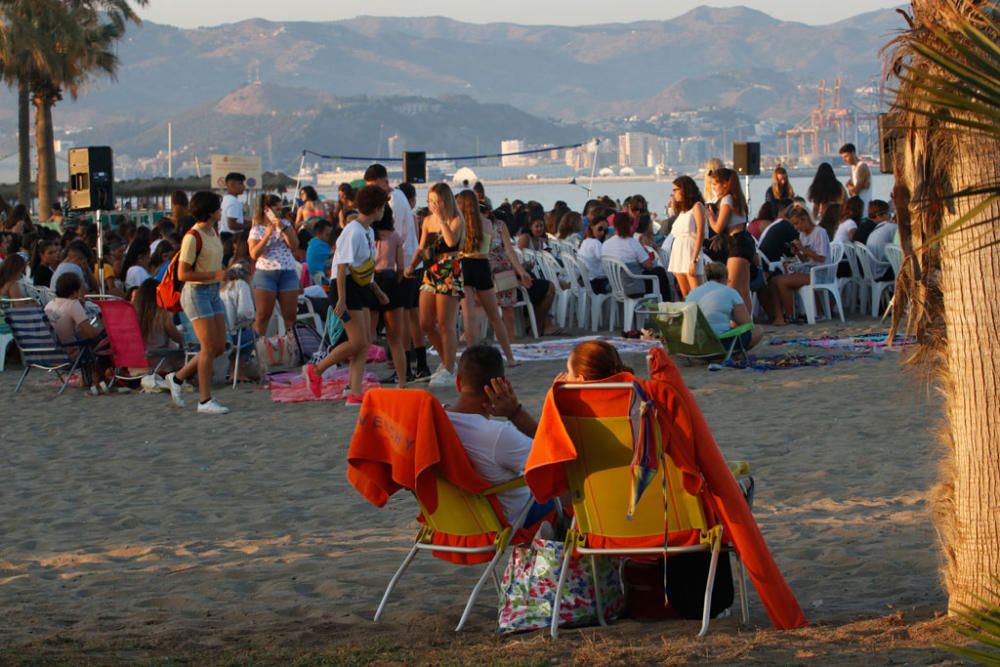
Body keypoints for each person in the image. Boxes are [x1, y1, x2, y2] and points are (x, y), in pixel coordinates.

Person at [445, 344, 552, 526]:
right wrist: (515, 413)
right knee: (571, 491)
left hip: (453, 517)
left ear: (457, 382)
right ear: (501, 385)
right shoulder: (498, 435)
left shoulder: (434, 420)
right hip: (509, 518)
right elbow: (553, 458)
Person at [304, 185, 390, 404]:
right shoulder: (352, 231)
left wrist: (376, 290)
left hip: (359, 286)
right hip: (344, 287)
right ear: (377, 208)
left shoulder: (367, 231)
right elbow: (341, 267)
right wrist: (341, 299)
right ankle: (317, 370)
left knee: (363, 342)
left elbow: (364, 267)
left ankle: (354, 390)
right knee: (358, 340)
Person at [164, 191, 232, 415]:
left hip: (212, 291)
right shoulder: (192, 237)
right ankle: (205, 400)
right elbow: (183, 274)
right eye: (219, 208)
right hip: (196, 293)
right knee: (208, 347)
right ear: (211, 211)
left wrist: (223, 274)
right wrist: (215, 274)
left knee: (219, 346)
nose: (221, 212)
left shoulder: (213, 231)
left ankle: (177, 378)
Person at [405, 182, 465, 387]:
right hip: (431, 270)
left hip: (449, 267)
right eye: (430, 201)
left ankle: (449, 368)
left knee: (446, 324)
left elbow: (450, 242)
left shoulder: (456, 219)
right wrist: (411, 265)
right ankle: (448, 361)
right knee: (426, 323)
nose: (432, 205)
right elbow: (422, 247)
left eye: (436, 201)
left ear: (445, 201)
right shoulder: (427, 221)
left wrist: (442, 219)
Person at [456, 190, 517, 366]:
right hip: (482, 266)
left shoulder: (459, 224)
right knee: (495, 316)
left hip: (465, 265)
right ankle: (510, 357)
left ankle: (472, 359)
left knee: (469, 317)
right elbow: (488, 249)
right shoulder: (487, 223)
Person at [760, 205, 830, 326]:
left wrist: (802, 249)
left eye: (797, 223)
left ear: (805, 219)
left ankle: (791, 316)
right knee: (774, 280)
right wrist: (798, 253)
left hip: (820, 272)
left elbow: (821, 258)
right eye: (793, 224)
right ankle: (779, 316)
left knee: (782, 282)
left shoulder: (820, 232)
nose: (796, 227)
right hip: (808, 269)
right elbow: (805, 259)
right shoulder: (802, 235)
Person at [247, 193, 300, 336]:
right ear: (267, 210)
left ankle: (293, 347)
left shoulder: (286, 225)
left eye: (280, 208)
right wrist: (267, 235)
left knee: (290, 316)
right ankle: (259, 348)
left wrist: (284, 229)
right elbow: (254, 254)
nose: (280, 212)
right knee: (263, 315)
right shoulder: (256, 229)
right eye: (276, 209)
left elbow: (294, 246)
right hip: (266, 273)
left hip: (287, 272)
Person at [486, 208, 540, 343]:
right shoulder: (470, 225)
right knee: (482, 308)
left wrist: (521, 271)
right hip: (482, 269)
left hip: (503, 269)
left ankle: (511, 341)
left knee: (508, 308)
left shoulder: (499, 225)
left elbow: (509, 250)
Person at [706, 167, 756, 309]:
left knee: (731, 287)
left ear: (725, 183)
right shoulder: (736, 198)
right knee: (743, 290)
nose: (713, 188)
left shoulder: (727, 199)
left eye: (715, 184)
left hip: (737, 243)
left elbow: (718, 227)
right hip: (743, 240)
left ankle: (738, 320)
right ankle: (747, 320)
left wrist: (710, 216)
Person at [686, 262, 762, 350]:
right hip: (718, 344)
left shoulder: (693, 292)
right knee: (758, 330)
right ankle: (734, 355)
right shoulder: (730, 292)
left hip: (695, 345)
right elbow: (747, 323)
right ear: (725, 277)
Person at [371, 206, 408, 388]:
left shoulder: (369, 234)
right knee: (395, 339)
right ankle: (401, 381)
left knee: (366, 337)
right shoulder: (395, 236)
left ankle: (356, 381)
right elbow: (401, 266)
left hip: (371, 281)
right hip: (391, 282)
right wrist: (398, 280)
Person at [602, 211, 670, 302]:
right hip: (633, 287)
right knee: (660, 271)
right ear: (629, 226)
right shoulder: (632, 242)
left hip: (616, 287)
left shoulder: (606, 244)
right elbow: (649, 265)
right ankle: (666, 304)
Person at [666, 175, 707, 298]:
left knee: (697, 293)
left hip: (690, 250)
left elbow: (700, 232)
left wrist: (694, 259)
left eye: (676, 190)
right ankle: (690, 316)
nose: (673, 193)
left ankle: (702, 317)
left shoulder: (697, 206)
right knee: (685, 293)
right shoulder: (683, 211)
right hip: (678, 251)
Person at [131, 278, 183, 372]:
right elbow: (179, 338)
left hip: (135, 368)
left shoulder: (130, 315)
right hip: (159, 367)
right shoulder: (161, 314)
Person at [563, 339, 634, 382]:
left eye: (569, 371)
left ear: (580, 379)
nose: (566, 376)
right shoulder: (635, 392)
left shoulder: (567, 402)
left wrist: (555, 394)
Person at [578, 217, 610, 293]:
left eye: (605, 231)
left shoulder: (585, 241)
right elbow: (606, 261)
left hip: (586, 279)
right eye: (600, 229)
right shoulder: (596, 243)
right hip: (596, 282)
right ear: (592, 227)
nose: (602, 233)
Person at [840, 143, 872, 214]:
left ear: (853, 153)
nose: (845, 160)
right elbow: (851, 191)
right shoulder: (853, 168)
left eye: (846, 156)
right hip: (857, 209)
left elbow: (856, 190)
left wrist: (850, 187)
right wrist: (850, 187)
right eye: (843, 158)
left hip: (864, 209)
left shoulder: (862, 167)